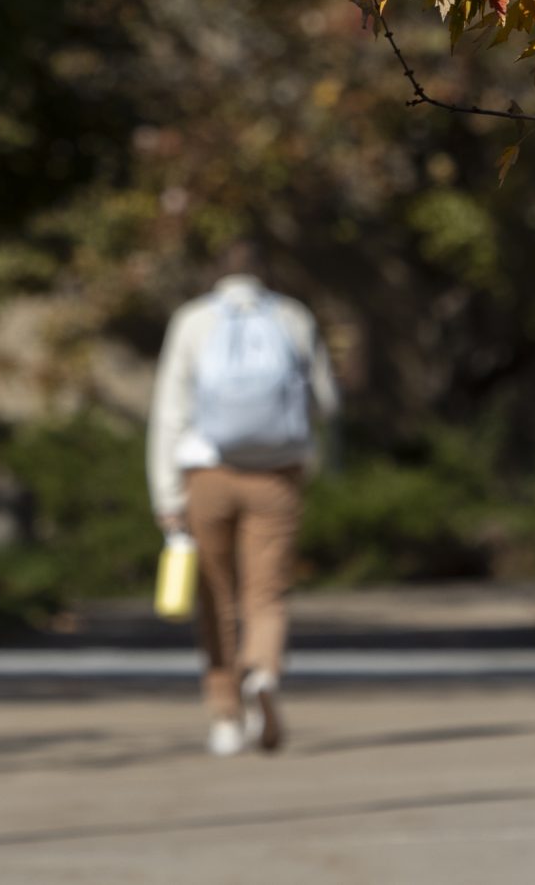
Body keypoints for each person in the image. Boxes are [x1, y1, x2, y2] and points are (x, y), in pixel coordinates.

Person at [148, 246, 338, 757]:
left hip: (206, 473)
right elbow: (326, 400)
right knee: (267, 593)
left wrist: (166, 494)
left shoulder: (192, 321)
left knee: (216, 595)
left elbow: (170, 410)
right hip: (276, 476)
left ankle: (226, 715)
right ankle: (264, 672)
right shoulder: (293, 316)